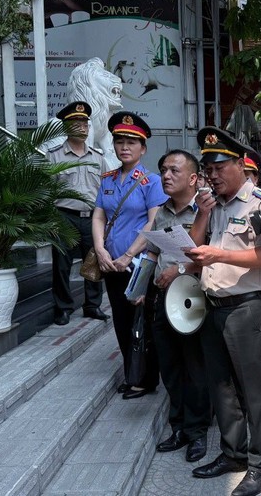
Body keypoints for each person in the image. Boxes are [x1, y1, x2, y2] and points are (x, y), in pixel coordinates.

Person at [186, 127, 261, 496]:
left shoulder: (260, 203)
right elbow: (193, 249)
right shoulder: (212, 204)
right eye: (208, 167)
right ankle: (233, 452)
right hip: (213, 304)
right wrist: (202, 217)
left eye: (219, 166)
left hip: (248, 307)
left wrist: (220, 254)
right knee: (221, 385)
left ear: (241, 164)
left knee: (255, 389)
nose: (212, 174)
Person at [139, 149, 211, 463]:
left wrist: (179, 271)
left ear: (193, 178)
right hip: (162, 299)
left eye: (174, 171)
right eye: (163, 170)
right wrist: (139, 286)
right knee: (170, 366)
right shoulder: (163, 211)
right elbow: (153, 253)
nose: (166, 176)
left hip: (193, 300)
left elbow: (209, 258)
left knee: (195, 369)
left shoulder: (207, 211)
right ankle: (178, 427)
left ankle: (197, 433)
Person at [92, 111, 166, 399]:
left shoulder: (151, 181)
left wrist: (128, 254)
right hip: (111, 263)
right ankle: (131, 372)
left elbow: (153, 221)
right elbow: (99, 215)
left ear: (143, 148)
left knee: (143, 321)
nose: (125, 147)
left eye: (132, 142)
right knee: (122, 321)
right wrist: (100, 248)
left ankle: (147, 379)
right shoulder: (108, 179)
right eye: (120, 141)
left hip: (137, 264)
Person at [47, 101, 109, 325]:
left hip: (93, 218)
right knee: (61, 265)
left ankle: (92, 305)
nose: (83, 127)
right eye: (77, 123)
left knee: (94, 260)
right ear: (66, 127)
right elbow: (47, 190)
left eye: (85, 123)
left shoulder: (97, 157)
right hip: (64, 215)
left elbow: (105, 191)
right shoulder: (54, 156)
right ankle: (63, 308)